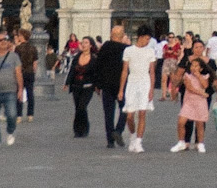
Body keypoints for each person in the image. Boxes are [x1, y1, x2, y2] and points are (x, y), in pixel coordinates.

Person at [121, 26, 156, 153]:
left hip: (145, 82)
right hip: (132, 82)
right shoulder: (128, 50)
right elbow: (125, 71)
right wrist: (121, 89)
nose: (148, 41)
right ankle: (132, 136)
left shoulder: (150, 52)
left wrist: (151, 89)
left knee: (142, 112)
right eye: (147, 38)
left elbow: (152, 72)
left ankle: (139, 141)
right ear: (140, 37)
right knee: (130, 115)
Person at [93, 22, 127, 150]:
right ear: (122, 35)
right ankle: (118, 130)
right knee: (125, 109)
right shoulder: (125, 49)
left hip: (106, 84)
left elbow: (98, 65)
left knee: (108, 113)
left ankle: (110, 141)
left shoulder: (105, 47)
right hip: (121, 85)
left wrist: (97, 84)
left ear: (111, 35)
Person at [172, 47, 212, 153]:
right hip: (189, 101)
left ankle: (200, 143)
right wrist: (202, 93)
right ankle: (181, 141)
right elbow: (189, 88)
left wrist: (198, 76)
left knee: (200, 123)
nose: (193, 67)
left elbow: (205, 85)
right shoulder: (187, 76)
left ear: (201, 68)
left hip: (200, 102)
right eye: (192, 65)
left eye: (196, 66)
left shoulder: (205, 76)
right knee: (181, 121)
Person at [0, 31, 22, 147]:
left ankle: (10, 131)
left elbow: (18, 73)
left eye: (5, 39)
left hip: (10, 90)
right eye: (0, 40)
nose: (3, 42)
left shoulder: (14, 57)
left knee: (12, 114)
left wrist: (20, 89)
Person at [67, 37, 96, 138]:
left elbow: (96, 74)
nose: (83, 44)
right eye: (82, 42)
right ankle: (77, 130)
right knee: (78, 108)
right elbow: (72, 71)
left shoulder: (93, 59)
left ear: (91, 45)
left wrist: (97, 86)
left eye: (86, 43)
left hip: (88, 87)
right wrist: (67, 83)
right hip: (76, 86)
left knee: (82, 107)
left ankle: (84, 128)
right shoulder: (77, 57)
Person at [15, 29, 37, 121]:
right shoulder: (33, 48)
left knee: (19, 93)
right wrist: (33, 71)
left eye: (19, 35)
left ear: (22, 36)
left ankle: (19, 115)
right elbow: (35, 63)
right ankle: (30, 115)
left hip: (20, 73)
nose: (18, 37)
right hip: (30, 72)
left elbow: (16, 63)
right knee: (30, 93)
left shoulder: (18, 48)